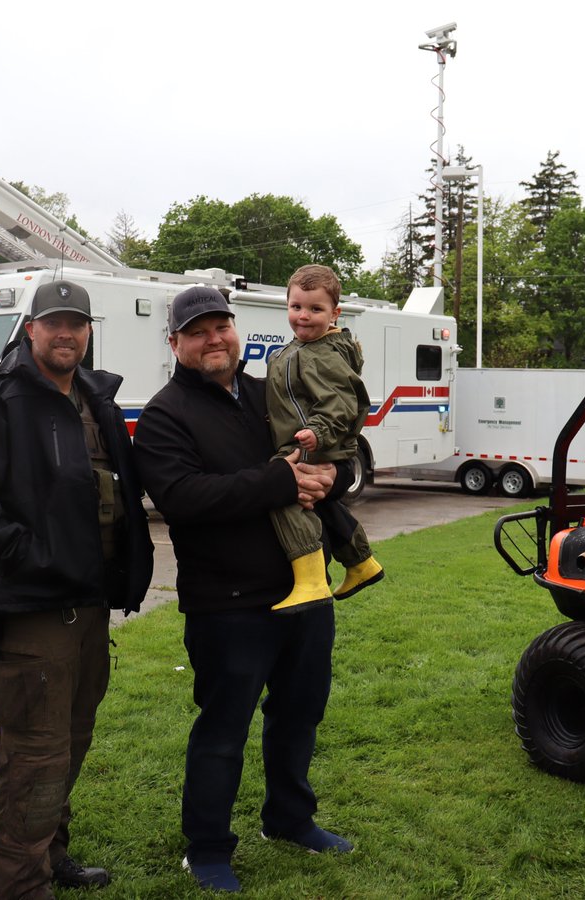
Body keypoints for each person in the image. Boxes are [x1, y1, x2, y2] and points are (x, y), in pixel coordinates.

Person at [0, 279, 154, 900]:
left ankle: (52, 854)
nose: (66, 334)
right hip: (28, 611)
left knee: (72, 739)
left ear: (89, 332)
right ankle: (23, 885)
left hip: (87, 606)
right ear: (29, 329)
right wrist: (34, 560)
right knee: (35, 754)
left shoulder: (96, 402)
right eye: (53, 323)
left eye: (77, 324)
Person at [133, 285, 354, 893]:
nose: (213, 339)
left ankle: (290, 820)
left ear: (236, 331)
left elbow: (340, 447)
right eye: (197, 330)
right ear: (174, 342)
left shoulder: (272, 391)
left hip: (305, 593)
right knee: (223, 728)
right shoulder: (163, 415)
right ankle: (207, 848)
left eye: (221, 327)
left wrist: (337, 475)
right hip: (228, 604)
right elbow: (184, 499)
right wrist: (281, 480)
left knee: (298, 715)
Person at [266, 264, 383, 613]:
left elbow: (342, 403)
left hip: (312, 442)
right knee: (324, 502)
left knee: (285, 494)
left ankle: (312, 580)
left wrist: (317, 433)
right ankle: (361, 563)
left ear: (335, 313)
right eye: (296, 307)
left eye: (315, 309)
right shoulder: (300, 348)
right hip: (307, 440)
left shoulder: (324, 355)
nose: (303, 316)